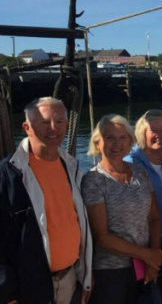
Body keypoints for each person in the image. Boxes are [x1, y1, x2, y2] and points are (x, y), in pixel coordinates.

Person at [0, 97, 93, 304]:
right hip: (29, 286)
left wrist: (86, 276)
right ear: (27, 127)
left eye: (60, 122)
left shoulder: (72, 168)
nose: (53, 128)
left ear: (67, 126)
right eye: (44, 122)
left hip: (70, 279)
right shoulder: (8, 175)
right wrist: (6, 292)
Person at [82, 114, 162, 304]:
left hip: (144, 266)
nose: (117, 143)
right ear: (97, 142)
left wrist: (154, 258)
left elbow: (154, 218)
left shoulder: (140, 173)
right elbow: (102, 238)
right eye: (110, 137)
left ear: (130, 142)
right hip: (111, 272)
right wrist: (148, 255)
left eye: (123, 137)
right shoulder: (93, 181)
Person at [125, 109, 162, 304]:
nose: (160, 135)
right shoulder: (131, 162)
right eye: (154, 131)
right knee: (145, 291)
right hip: (145, 240)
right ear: (143, 133)